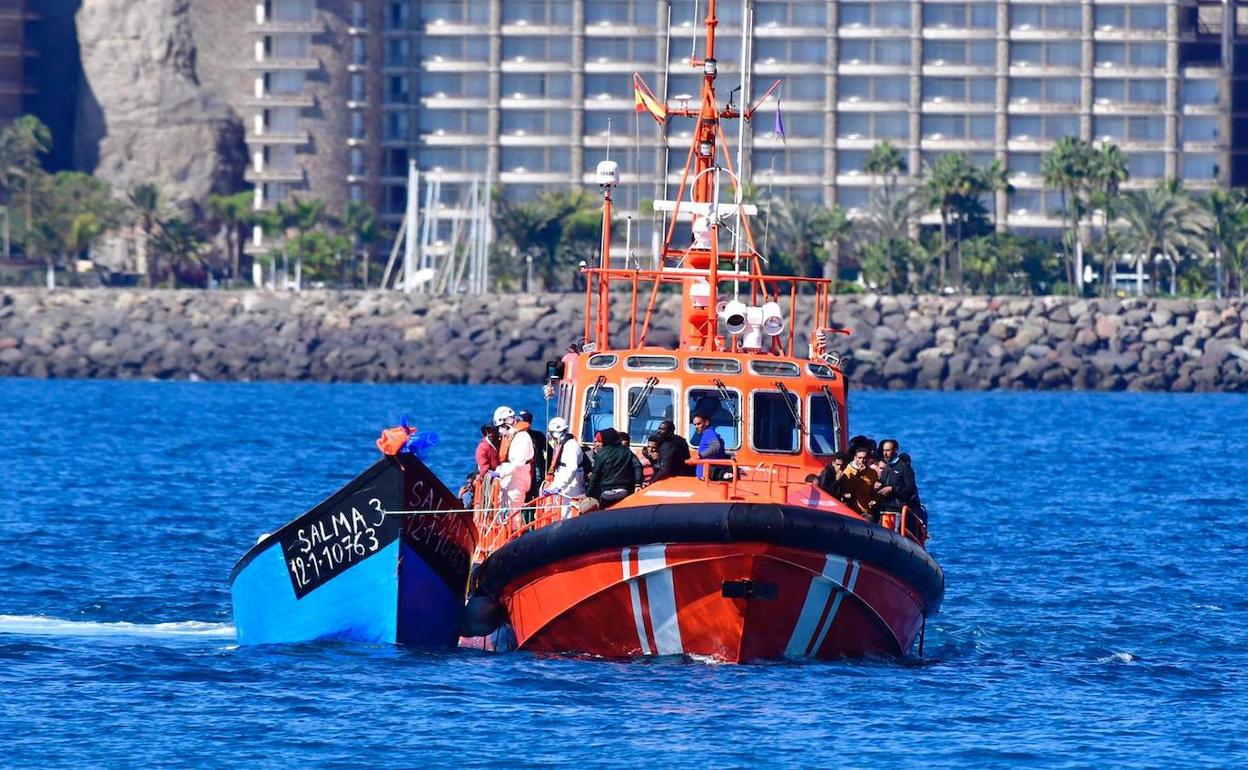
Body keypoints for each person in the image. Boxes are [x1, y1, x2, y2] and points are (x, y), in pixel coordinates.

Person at [585, 427, 643, 510]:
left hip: (606, 493)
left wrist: (588, 494)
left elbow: (595, 476)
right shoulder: (626, 451)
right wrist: (638, 484)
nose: (597, 444)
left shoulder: (601, 454)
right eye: (595, 441)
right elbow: (637, 466)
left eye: (600, 441)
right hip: (625, 492)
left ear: (606, 440)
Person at [491, 405, 533, 514]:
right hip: (509, 477)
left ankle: (515, 530)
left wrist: (501, 472)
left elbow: (518, 463)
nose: (501, 430)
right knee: (503, 508)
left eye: (503, 426)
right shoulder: (512, 436)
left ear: (509, 421)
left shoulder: (522, 437)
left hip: (518, 478)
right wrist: (499, 471)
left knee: (514, 511)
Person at [544, 417, 585, 519]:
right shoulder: (562, 445)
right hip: (564, 484)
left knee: (568, 513)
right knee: (562, 512)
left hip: (571, 486)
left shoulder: (571, 447)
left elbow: (571, 469)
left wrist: (559, 486)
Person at [839, 446, 880, 520]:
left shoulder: (872, 472)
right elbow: (847, 490)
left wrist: (875, 500)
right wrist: (858, 474)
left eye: (864, 458)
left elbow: (874, 491)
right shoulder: (848, 470)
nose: (862, 460)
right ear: (855, 458)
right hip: (853, 509)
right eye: (859, 458)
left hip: (867, 509)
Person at [518, 410, 548, 504]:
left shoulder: (537, 436)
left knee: (533, 496)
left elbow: (550, 451)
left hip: (535, 473)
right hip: (525, 473)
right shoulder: (538, 435)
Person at [690, 412, 727, 480]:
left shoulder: (708, 433)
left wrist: (699, 456)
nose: (696, 427)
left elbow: (716, 446)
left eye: (699, 424)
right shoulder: (710, 434)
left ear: (706, 422)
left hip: (706, 478)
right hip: (706, 476)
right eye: (694, 424)